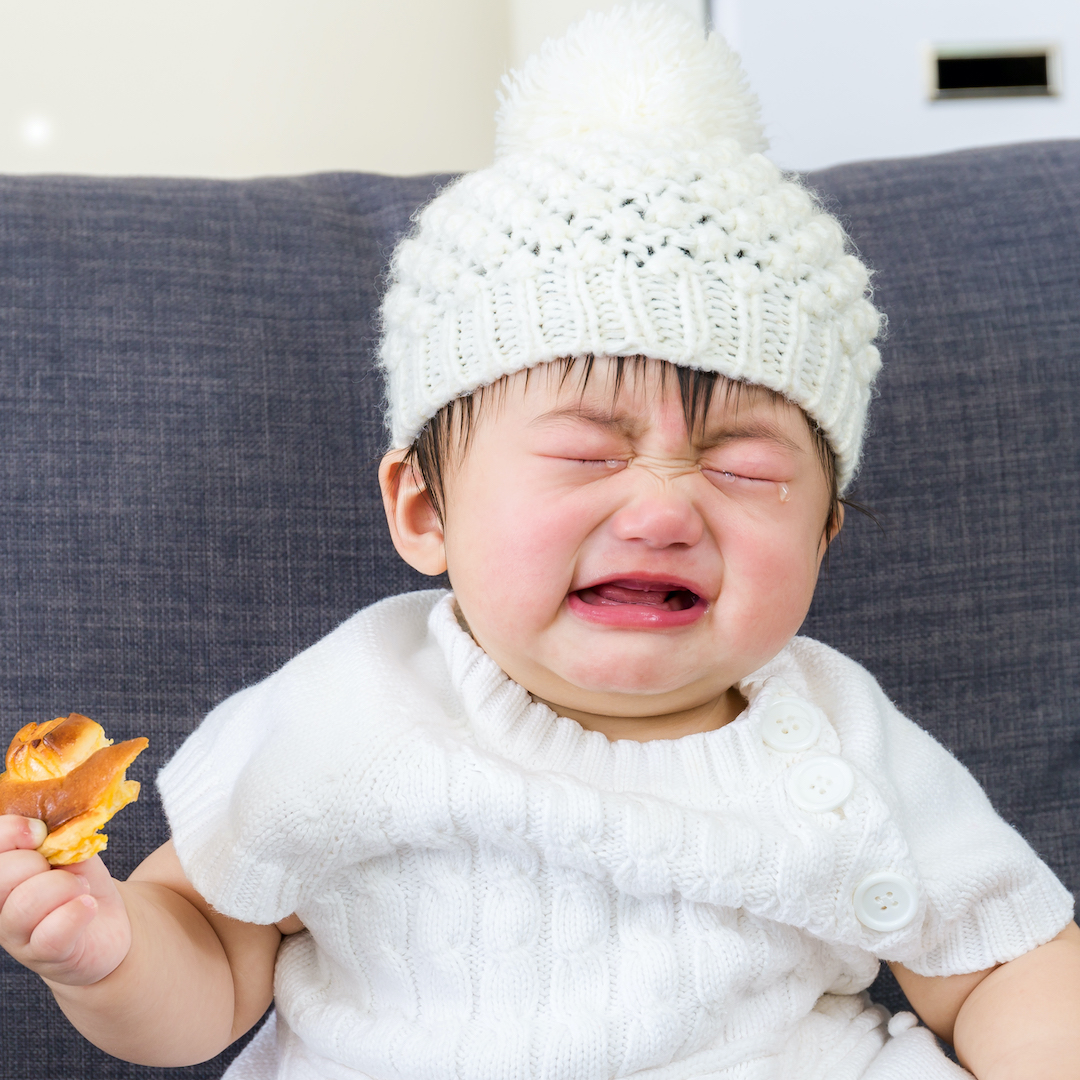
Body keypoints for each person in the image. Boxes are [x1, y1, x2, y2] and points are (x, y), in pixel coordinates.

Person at [0, 6, 1077, 1079]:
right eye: (585, 456)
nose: (663, 513)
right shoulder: (356, 708)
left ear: (822, 538)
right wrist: (109, 956)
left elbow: (1004, 966)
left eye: (744, 468)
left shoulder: (845, 739)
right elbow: (211, 970)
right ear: (426, 514)